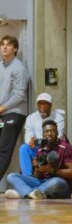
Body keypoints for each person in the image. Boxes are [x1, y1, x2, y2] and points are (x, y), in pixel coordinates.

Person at [5, 120, 72, 199]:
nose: (49, 134)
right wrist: (37, 169)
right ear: (43, 134)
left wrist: (52, 170)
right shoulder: (41, 149)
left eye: (52, 131)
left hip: (61, 184)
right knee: (11, 176)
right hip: (43, 182)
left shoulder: (66, 147)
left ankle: (24, 192)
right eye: (46, 131)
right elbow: (37, 177)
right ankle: (32, 194)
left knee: (56, 182)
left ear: (57, 132)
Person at [0, 35, 29, 180]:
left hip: (14, 113)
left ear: (15, 49)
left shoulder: (19, 67)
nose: (4, 47)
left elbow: (19, 95)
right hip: (2, 113)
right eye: (2, 44)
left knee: (4, 148)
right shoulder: (1, 66)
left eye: (8, 45)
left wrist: (2, 108)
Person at [19, 93, 65, 176]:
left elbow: (58, 137)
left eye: (45, 104)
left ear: (50, 105)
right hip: (37, 148)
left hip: (53, 149)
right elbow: (28, 138)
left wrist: (39, 142)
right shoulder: (31, 118)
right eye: (40, 103)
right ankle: (27, 177)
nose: (42, 106)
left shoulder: (58, 117)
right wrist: (31, 141)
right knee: (23, 148)